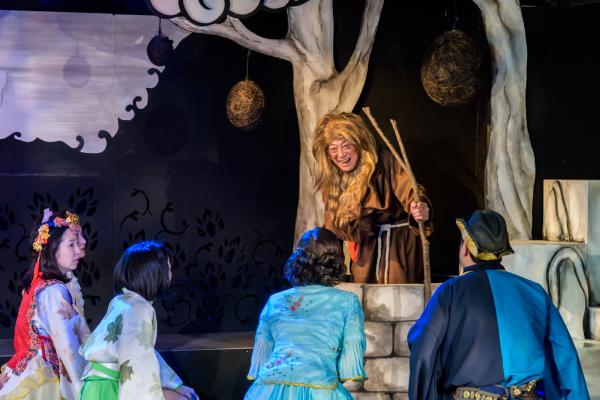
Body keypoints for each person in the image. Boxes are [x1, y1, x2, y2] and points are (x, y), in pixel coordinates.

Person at [407, 210, 589, 399]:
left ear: (465, 248)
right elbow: (564, 357)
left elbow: (423, 348)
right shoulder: (534, 292)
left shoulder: (450, 292)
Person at [244, 227, 366, 400]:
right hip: (321, 388)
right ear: (335, 260)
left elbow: (263, 351)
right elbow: (352, 347)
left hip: (269, 390)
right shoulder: (347, 301)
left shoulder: (275, 300)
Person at [312, 112, 431, 284]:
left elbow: (411, 190)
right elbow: (332, 227)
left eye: (346, 146)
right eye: (333, 149)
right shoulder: (334, 180)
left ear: (359, 144)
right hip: (365, 250)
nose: (341, 154)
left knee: (398, 294)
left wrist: (419, 207)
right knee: (364, 293)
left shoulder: (383, 161)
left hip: (397, 245)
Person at [79, 241, 198, 400]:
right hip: (110, 388)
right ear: (153, 274)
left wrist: (175, 385)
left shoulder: (121, 301)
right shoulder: (140, 309)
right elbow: (137, 362)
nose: (171, 274)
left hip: (97, 387)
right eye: (168, 269)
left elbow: (145, 351)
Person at [0, 209, 90, 399]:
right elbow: (69, 348)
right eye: (71, 244)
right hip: (43, 379)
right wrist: (85, 390)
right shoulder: (54, 290)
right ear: (52, 249)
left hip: (25, 373)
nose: (79, 249)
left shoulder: (38, 285)